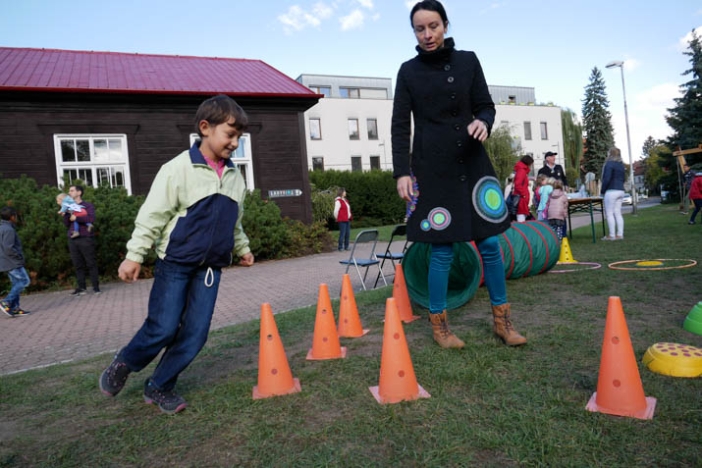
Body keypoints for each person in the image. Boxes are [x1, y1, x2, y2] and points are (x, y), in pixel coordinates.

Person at [99, 95, 255, 414]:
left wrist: (243, 248)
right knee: (164, 327)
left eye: (240, 136)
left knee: (196, 334)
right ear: (205, 128)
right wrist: (135, 255)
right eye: (230, 134)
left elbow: (234, 222)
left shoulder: (236, 178)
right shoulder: (177, 169)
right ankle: (124, 363)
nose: (235, 143)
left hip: (209, 270)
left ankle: (160, 386)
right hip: (175, 265)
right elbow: (152, 215)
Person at [392, 0, 526, 348]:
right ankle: (440, 327)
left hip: (472, 163)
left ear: (445, 25)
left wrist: (484, 121)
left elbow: (485, 104)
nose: (427, 34)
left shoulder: (468, 61)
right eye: (419, 29)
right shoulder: (408, 71)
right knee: (442, 249)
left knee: (490, 242)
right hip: (432, 169)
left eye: (433, 26)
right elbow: (398, 126)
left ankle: (503, 321)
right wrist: (401, 172)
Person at [61, 185, 100, 295]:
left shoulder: (87, 206)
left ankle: (96, 287)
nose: (69, 192)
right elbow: (66, 224)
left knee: (90, 263)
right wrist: (65, 215)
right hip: (72, 238)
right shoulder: (68, 206)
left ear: (79, 193)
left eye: (72, 190)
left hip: (85, 237)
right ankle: (81, 287)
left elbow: (91, 219)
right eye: (69, 191)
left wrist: (77, 218)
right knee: (77, 264)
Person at [0, 207, 31, 317]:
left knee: (16, 283)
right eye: (15, 216)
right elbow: (8, 248)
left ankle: (14, 307)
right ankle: (6, 301)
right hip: (12, 262)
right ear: (12, 217)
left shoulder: (3, 227)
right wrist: (18, 257)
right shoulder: (9, 230)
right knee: (24, 281)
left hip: (6, 261)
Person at [600, 147, 626, 240]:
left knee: (609, 213)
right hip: (621, 190)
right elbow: (624, 178)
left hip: (611, 190)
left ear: (610, 154)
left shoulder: (609, 164)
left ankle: (611, 235)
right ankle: (620, 234)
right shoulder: (621, 165)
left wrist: (602, 191)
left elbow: (606, 178)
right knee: (618, 213)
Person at [513, 155, 534, 223]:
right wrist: (524, 194)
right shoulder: (522, 171)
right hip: (521, 199)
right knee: (521, 218)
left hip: (522, 198)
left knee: (522, 217)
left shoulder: (521, 170)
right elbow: (518, 184)